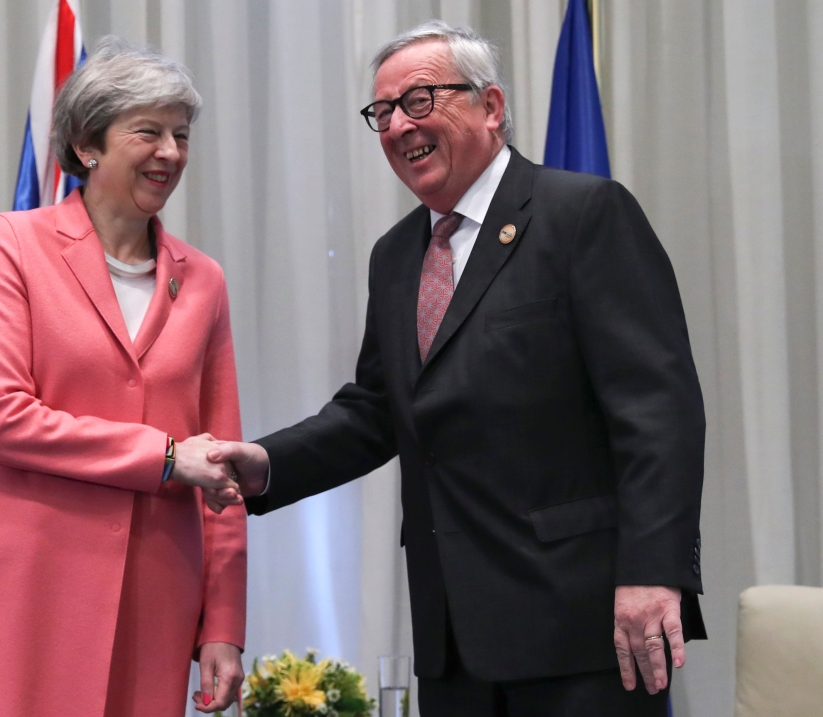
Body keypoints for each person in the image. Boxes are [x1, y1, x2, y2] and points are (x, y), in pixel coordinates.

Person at [206, 21, 706, 716]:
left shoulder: (583, 214)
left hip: (582, 626)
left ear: (490, 106)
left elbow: (658, 411)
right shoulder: (396, 255)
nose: (397, 127)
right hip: (453, 638)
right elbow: (378, 409)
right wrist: (264, 462)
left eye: (418, 101)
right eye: (381, 113)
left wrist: (653, 571)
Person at [0, 38, 246, 717]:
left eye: (180, 135)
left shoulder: (205, 279)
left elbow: (222, 467)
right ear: (87, 145)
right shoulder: (12, 243)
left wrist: (222, 625)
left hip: (152, 598)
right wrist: (159, 456)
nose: (171, 153)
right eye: (148, 132)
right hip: (21, 589)